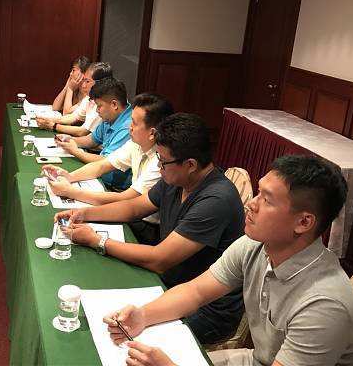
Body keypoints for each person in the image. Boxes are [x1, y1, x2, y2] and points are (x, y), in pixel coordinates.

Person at [105, 155, 353, 366]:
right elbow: (195, 292)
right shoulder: (255, 245)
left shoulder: (324, 304)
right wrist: (143, 315)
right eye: (258, 193)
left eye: (267, 200)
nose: (251, 204)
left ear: (303, 222)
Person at [55, 113, 245, 343]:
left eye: (163, 161)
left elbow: (159, 259)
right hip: (173, 285)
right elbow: (133, 208)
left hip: (206, 309)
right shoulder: (177, 179)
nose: (158, 165)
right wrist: (83, 213)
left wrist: (98, 241)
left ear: (190, 165)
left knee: (113, 334)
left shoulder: (216, 200)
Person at [44, 93, 173, 244]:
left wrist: (71, 192)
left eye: (134, 123)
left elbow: (126, 199)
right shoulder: (136, 143)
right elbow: (102, 165)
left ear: (152, 133)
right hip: (128, 213)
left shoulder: (161, 162)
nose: (129, 127)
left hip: (146, 227)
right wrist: (70, 177)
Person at [55, 76, 133, 190]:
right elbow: (91, 140)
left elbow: (106, 162)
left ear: (114, 105)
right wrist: (71, 140)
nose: (97, 110)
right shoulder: (111, 117)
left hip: (116, 188)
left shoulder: (128, 127)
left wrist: (76, 151)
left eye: (99, 106)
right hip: (101, 177)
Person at [37, 62, 112, 137]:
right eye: (84, 80)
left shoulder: (103, 103)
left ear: (100, 83)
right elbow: (73, 117)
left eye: (87, 81)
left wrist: (53, 126)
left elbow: (83, 132)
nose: (83, 85)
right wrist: (48, 120)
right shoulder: (90, 97)